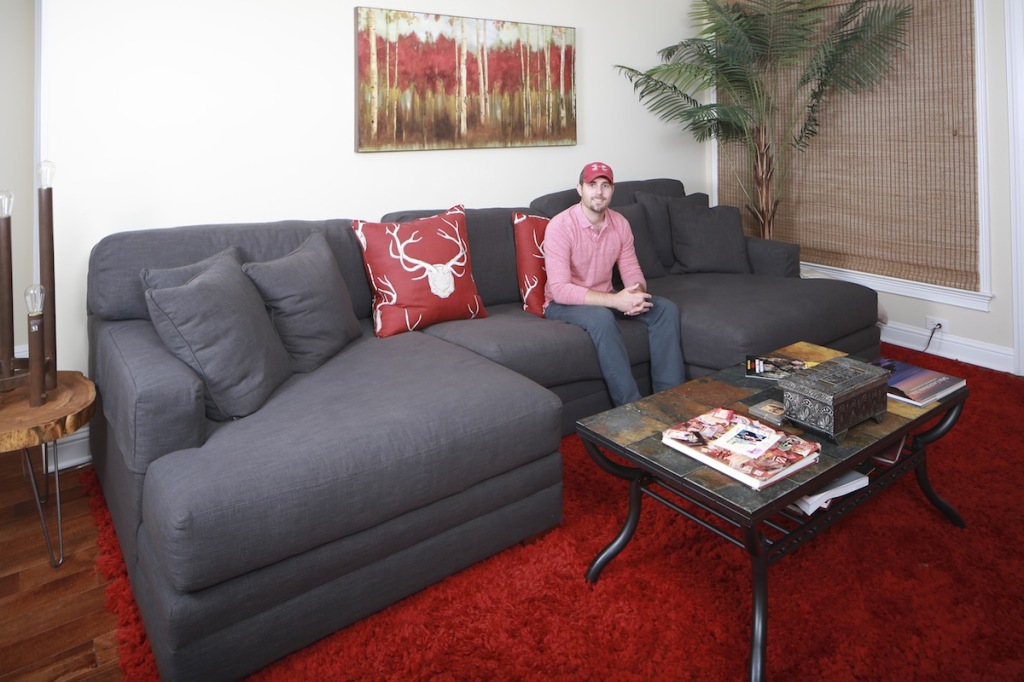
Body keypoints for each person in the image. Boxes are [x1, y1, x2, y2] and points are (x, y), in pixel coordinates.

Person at [543, 161, 685, 406]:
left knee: (664, 309)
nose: (599, 192)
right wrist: (616, 301)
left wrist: (636, 294)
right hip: (562, 303)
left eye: (605, 185)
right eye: (592, 185)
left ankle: (670, 400)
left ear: (612, 190)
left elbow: (631, 269)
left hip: (606, 296)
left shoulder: (620, 223)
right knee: (601, 318)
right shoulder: (560, 226)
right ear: (580, 189)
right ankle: (631, 408)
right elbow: (560, 289)